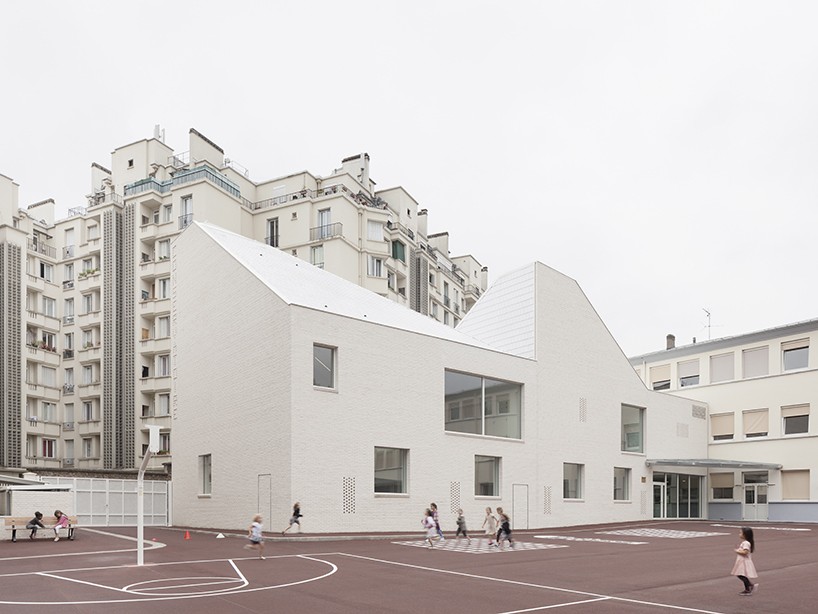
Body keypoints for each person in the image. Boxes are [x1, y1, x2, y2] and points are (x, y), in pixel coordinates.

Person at [731, 527, 758, 595]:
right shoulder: (745, 542)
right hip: (742, 560)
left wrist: (737, 551)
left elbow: (745, 552)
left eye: (741, 533)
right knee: (742, 574)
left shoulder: (746, 543)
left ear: (745, 534)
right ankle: (748, 588)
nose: (739, 534)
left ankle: (750, 585)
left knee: (740, 574)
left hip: (743, 561)